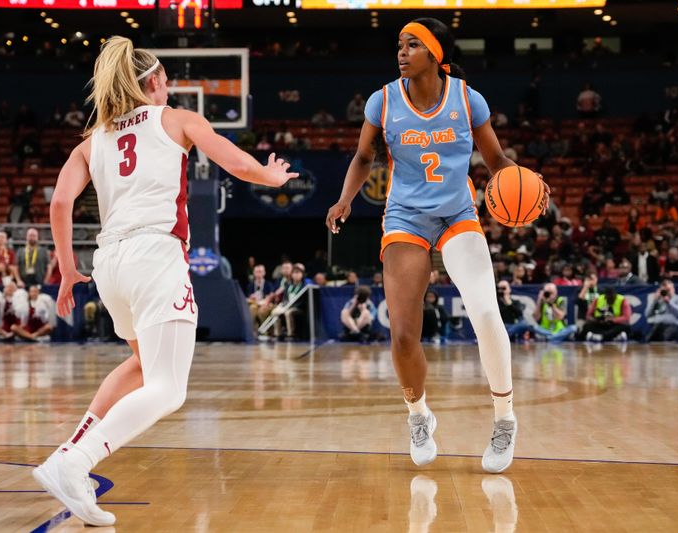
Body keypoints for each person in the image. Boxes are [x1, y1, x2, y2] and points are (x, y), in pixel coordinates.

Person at [32, 37, 297, 526]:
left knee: (139, 363)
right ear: (154, 83)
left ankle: (67, 453)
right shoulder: (175, 118)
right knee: (169, 389)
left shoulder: (93, 140)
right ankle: (78, 461)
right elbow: (238, 165)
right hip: (155, 255)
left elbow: (59, 203)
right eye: (167, 80)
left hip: (109, 261)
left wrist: (68, 268)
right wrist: (272, 176)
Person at [326, 18, 549, 472]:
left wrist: (520, 180)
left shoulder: (468, 99)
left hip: (458, 213)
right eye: (399, 45)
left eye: (412, 45)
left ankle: (505, 418)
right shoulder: (382, 101)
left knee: (487, 314)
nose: (401, 52)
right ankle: (418, 415)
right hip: (406, 217)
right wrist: (346, 198)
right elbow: (364, 156)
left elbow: (496, 158)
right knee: (405, 334)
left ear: (434, 53)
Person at [246, 264, 275, 330]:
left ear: (264, 273)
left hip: (266, 303)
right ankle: (252, 330)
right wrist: (251, 297)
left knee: (262, 311)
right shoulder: (250, 285)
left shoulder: (268, 284)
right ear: (254, 273)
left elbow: (271, 295)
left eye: (260, 271)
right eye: (257, 272)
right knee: (252, 308)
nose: (259, 274)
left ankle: (265, 331)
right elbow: (247, 298)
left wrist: (267, 300)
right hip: (255, 303)